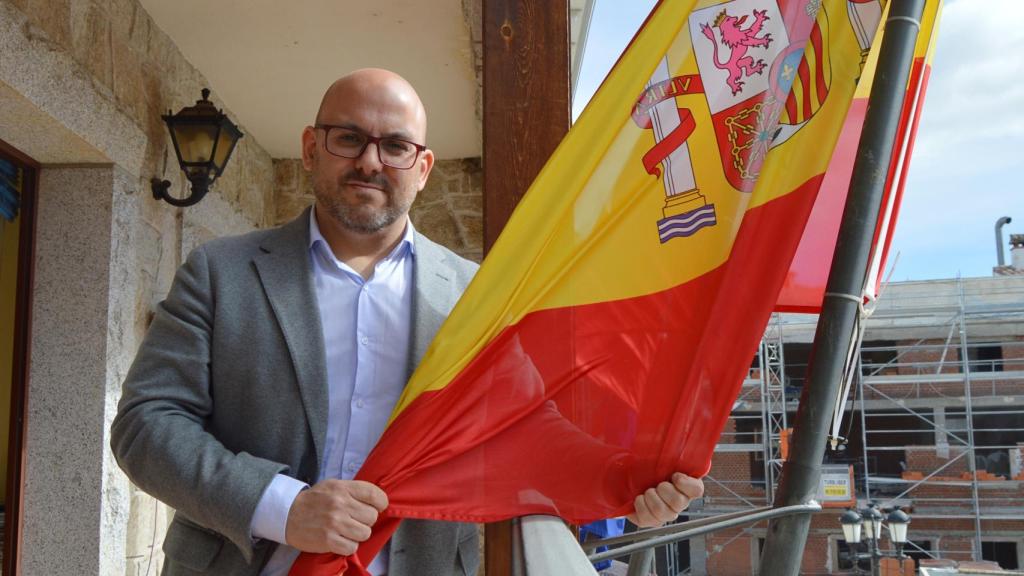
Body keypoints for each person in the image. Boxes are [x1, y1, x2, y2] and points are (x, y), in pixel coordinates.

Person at [111, 69, 704, 576]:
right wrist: (281, 505)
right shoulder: (221, 272)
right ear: (311, 148)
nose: (371, 161)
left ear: (422, 167)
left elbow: (527, 432)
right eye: (349, 138)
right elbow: (146, 424)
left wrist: (628, 481)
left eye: (395, 146)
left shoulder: (479, 298)